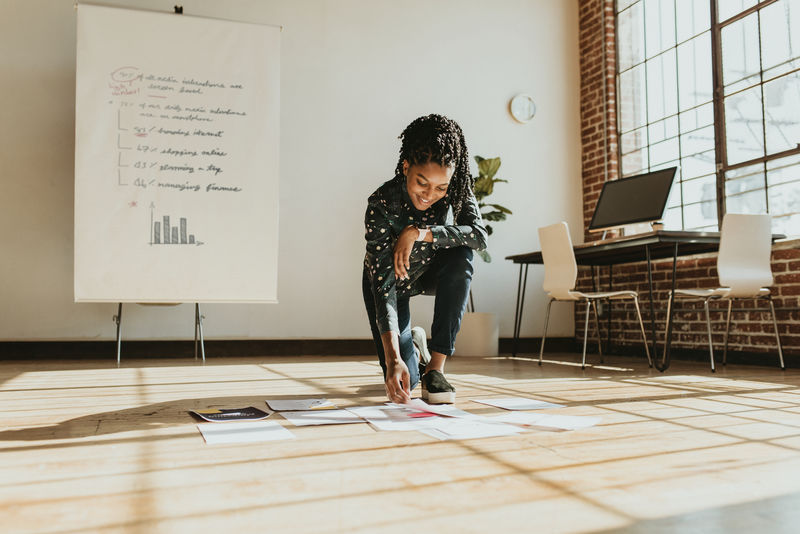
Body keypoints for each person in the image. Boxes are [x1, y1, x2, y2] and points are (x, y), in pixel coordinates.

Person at [362, 114, 488, 404]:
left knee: (462, 254)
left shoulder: (455, 188)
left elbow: (479, 236)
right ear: (406, 166)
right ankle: (415, 349)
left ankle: (436, 368)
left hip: (433, 271)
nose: (430, 195)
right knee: (405, 378)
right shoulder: (380, 203)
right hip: (391, 283)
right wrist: (393, 357)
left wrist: (419, 232)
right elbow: (382, 286)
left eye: (440, 187)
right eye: (422, 183)